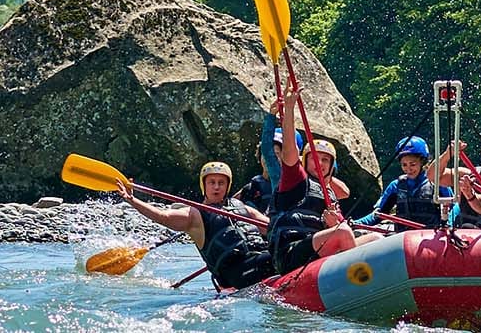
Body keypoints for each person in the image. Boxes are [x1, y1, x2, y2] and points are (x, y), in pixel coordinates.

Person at [117, 162, 276, 290]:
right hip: (235, 272)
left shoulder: (241, 207)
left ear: (227, 186)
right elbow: (162, 216)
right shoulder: (195, 215)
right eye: (211, 182)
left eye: (221, 183)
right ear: (204, 186)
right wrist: (133, 201)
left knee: (281, 253)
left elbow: (272, 228)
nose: (216, 187)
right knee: (274, 260)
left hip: (260, 260)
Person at [259, 92, 359, 274]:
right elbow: (289, 150)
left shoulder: (328, 193)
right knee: (342, 232)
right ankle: (360, 284)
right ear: (304, 161)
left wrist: (337, 222)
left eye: (325, 160)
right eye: (314, 159)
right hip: (290, 251)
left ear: (332, 166)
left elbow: (341, 222)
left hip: (315, 247)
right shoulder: (295, 179)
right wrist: (288, 110)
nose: (320, 164)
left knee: (374, 236)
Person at [355, 136, 454, 231]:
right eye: (404, 165)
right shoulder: (395, 186)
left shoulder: (438, 184)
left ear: (423, 162)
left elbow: (453, 210)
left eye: (413, 164)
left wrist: (447, 227)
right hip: (403, 238)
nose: (408, 169)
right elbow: (378, 215)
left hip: (430, 238)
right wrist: (354, 223)